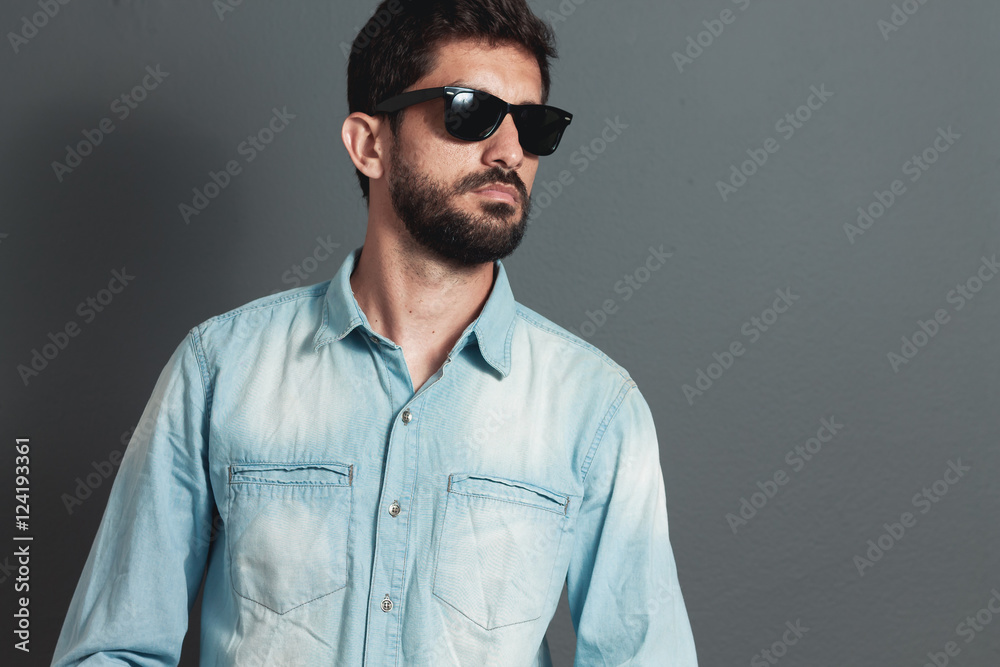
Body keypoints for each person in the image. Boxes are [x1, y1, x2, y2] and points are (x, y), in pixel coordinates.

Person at [51, 0, 698, 664]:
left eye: (533, 125)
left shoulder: (595, 407)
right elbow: (111, 649)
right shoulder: (220, 369)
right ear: (369, 144)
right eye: (469, 111)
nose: (509, 152)